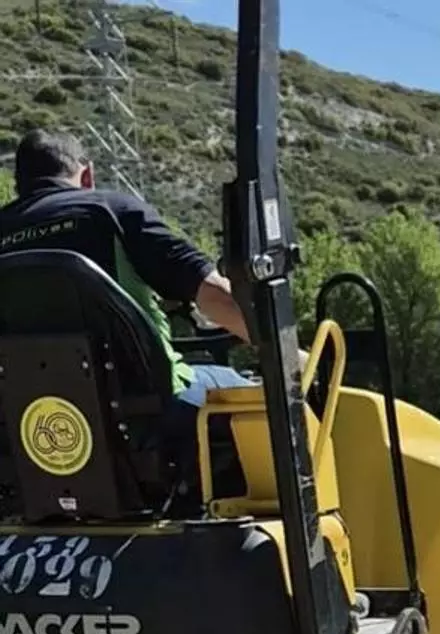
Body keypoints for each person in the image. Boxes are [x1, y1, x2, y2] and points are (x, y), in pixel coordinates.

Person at [0, 129, 258, 438]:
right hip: (148, 413)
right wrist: (288, 354)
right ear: (87, 176)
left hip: (32, 428)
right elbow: (216, 297)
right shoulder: (113, 211)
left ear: (19, 185)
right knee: (250, 391)